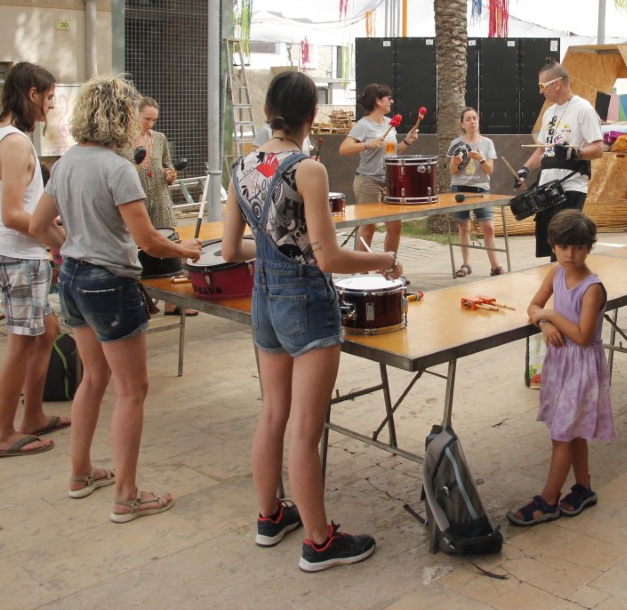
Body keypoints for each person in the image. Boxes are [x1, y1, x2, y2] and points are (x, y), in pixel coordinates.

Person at [222, 71, 391, 571]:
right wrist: (383, 260)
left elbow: (230, 250)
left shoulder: (242, 165)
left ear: (268, 110)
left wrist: (275, 253)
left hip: (263, 298)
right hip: (305, 301)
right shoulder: (307, 169)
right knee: (304, 430)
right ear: (312, 115)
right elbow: (329, 258)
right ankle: (319, 542)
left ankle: (271, 516)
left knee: (273, 413)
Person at [30, 76, 201, 521]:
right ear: (122, 117)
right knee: (132, 390)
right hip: (109, 283)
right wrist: (184, 249)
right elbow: (148, 240)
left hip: (72, 279)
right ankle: (126, 495)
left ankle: (80, 473)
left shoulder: (66, 162)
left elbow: (38, 225)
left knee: (93, 378)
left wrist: (72, 247)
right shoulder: (117, 168)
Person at [0, 61, 70, 459]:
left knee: (46, 332)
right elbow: (12, 214)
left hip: (4, 250)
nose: (51, 105)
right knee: (22, 343)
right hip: (17, 255)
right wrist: (59, 239)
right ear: (32, 94)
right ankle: (1, 433)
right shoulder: (14, 142)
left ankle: (33, 416)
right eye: (49, 97)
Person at [507, 209, 613, 526]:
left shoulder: (592, 288)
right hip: (560, 363)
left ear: (589, 248)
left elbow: (582, 336)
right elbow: (533, 306)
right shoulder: (555, 273)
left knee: (562, 435)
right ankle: (583, 489)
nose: (570, 254)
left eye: (578, 247)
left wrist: (552, 316)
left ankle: (549, 499)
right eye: (563, 247)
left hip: (582, 367)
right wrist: (543, 323)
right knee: (572, 430)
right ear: (553, 245)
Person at [515, 62, 604, 259]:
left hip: (570, 186)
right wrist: (525, 169)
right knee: (551, 247)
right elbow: (542, 151)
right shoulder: (549, 113)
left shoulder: (583, 109)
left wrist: (575, 154)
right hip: (547, 188)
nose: (540, 91)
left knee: (565, 244)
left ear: (557, 83)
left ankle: (567, 278)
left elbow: (598, 149)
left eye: (542, 86)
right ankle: (555, 277)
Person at [121, 95, 194, 317]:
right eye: (147, 119)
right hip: (136, 198)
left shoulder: (160, 139)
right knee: (139, 246)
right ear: (135, 115)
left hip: (160, 197)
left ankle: (173, 302)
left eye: (154, 120)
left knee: (169, 244)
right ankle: (141, 297)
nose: (150, 124)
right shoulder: (123, 140)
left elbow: (167, 165)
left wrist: (170, 174)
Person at [339, 84, 419, 254]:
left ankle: (389, 265)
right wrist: (367, 144)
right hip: (368, 182)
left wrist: (407, 141)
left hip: (390, 182)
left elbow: (392, 152)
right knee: (369, 227)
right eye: (388, 98)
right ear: (377, 101)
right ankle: (362, 267)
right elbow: (344, 149)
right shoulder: (363, 125)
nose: (392, 101)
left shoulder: (390, 123)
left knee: (395, 227)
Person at [448, 107, 503, 277]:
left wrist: (481, 159)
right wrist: (456, 162)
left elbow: (490, 170)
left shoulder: (487, 143)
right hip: (460, 189)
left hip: (481, 189)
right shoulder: (456, 143)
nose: (472, 122)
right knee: (464, 226)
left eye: (474, 118)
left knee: (488, 228)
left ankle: (495, 267)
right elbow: (452, 171)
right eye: (468, 119)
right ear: (462, 124)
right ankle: (466, 264)